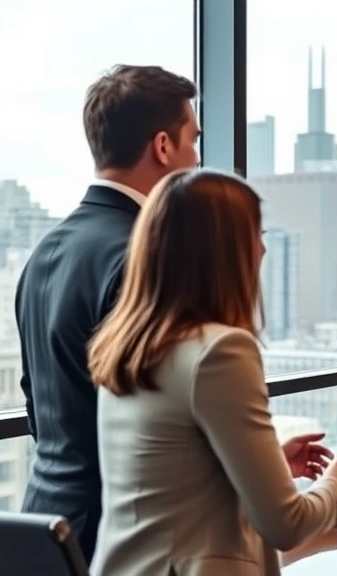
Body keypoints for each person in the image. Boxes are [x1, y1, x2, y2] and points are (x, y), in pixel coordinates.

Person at [87, 168, 337, 575]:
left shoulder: (128, 345)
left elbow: (168, 482)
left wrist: (269, 467)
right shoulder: (222, 351)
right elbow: (285, 525)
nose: (263, 249)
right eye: (256, 234)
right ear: (225, 250)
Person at [15, 64, 200, 561]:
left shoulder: (42, 254)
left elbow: (38, 402)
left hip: (44, 525)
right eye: (193, 141)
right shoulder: (146, 255)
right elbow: (164, 425)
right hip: (123, 538)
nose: (196, 159)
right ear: (163, 147)